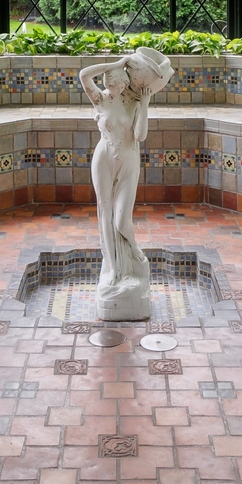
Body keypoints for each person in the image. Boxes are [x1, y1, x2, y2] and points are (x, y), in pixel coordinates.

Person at [78, 48, 173, 320]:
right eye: (109, 83)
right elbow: (84, 75)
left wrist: (145, 105)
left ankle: (136, 258)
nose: (112, 87)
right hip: (104, 157)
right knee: (104, 215)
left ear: (126, 82)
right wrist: (116, 62)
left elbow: (140, 136)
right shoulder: (100, 100)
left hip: (129, 159)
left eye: (117, 82)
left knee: (121, 221)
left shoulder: (134, 102)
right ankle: (114, 270)